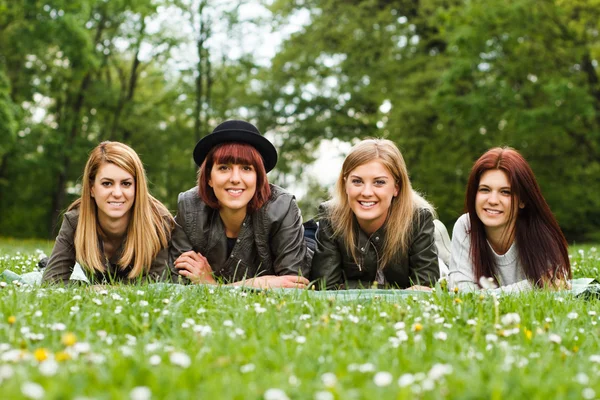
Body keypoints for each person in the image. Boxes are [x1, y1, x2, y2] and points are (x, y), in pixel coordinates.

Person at [170, 120, 312, 288]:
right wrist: (261, 284)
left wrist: (213, 286)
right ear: (209, 177)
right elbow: (177, 283)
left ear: (259, 177)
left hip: (307, 241)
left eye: (246, 168)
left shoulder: (282, 206)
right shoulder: (188, 207)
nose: (235, 179)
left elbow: (295, 284)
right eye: (224, 168)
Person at [310, 139, 440, 290]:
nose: (366, 193)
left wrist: (346, 287)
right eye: (357, 181)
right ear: (345, 184)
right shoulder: (331, 216)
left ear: (396, 187)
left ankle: (440, 236)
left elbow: (424, 287)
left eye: (379, 182)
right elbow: (325, 287)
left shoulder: (419, 217)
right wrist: (399, 292)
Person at [42, 141, 174, 285]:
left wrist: (107, 290)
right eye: (107, 183)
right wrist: (89, 289)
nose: (117, 193)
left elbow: (159, 283)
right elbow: (51, 281)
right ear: (92, 188)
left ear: (137, 187)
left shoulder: (158, 221)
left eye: (126, 183)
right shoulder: (76, 220)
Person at [448, 147, 571, 292]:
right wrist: (532, 286)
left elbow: (555, 287)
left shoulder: (541, 233)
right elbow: (462, 294)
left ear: (522, 200)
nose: (493, 200)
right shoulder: (466, 226)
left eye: (505, 192)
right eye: (485, 190)